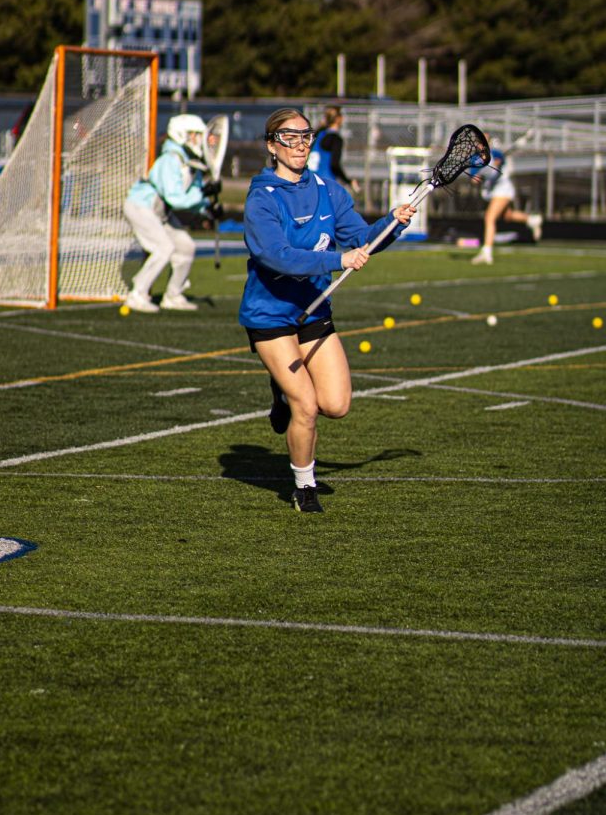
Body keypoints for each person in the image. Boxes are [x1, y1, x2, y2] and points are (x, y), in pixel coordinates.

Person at [239, 107, 416, 514]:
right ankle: (304, 486)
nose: (299, 144)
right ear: (271, 146)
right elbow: (276, 256)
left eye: (305, 136)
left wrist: (393, 222)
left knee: (335, 405)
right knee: (306, 404)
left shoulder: (326, 188)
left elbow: (361, 238)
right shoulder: (260, 199)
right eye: (289, 137)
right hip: (272, 316)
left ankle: (280, 396)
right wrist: (339, 260)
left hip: (314, 310)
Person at [122, 114, 215, 313]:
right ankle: (137, 294)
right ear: (181, 134)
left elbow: (191, 197)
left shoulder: (192, 163)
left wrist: (207, 206)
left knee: (186, 247)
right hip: (141, 206)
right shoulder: (169, 160)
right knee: (163, 248)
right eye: (194, 135)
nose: (198, 140)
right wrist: (202, 195)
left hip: (160, 213)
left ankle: (173, 295)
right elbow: (176, 198)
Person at [470, 137, 542, 264]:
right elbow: (474, 178)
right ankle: (532, 220)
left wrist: (497, 163)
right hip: (492, 191)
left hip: (503, 188)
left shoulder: (495, 154)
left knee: (489, 217)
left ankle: (487, 252)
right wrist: (475, 178)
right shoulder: (475, 159)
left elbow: (499, 162)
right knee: (507, 216)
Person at [307, 104, 360, 194]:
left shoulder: (318, 134)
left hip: (309, 181)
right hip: (325, 183)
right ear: (339, 119)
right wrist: (348, 181)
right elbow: (334, 165)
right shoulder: (335, 139)